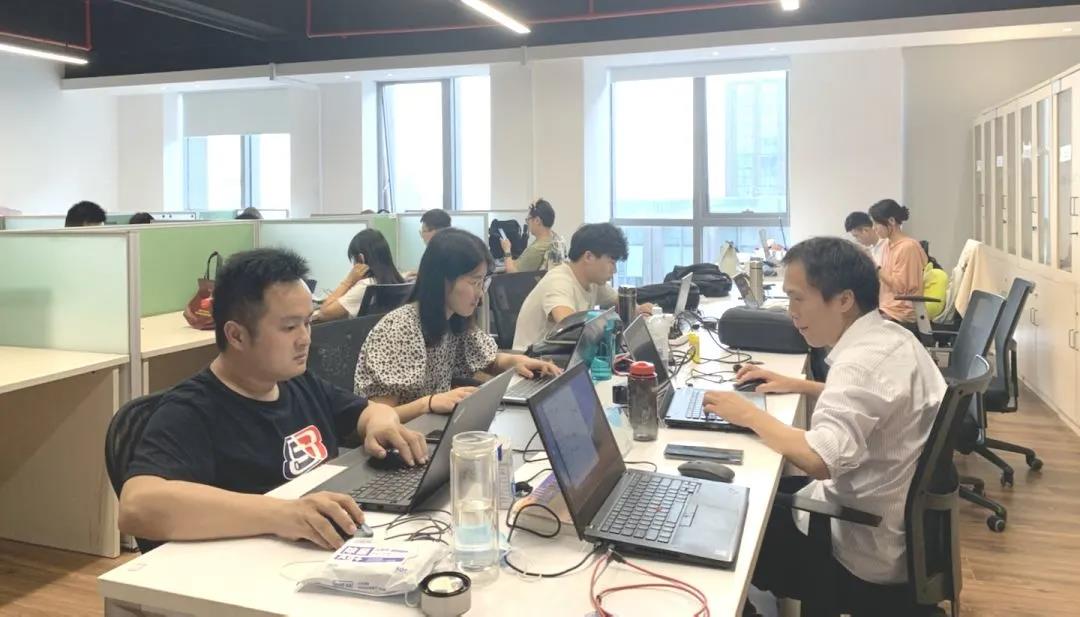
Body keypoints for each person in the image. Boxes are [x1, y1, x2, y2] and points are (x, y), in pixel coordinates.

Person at [118, 249, 426, 551]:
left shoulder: (298, 382)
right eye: (289, 327)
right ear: (236, 335)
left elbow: (370, 412)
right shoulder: (191, 409)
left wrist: (381, 424)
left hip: (320, 550)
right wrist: (283, 514)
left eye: (307, 322)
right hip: (247, 567)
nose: (305, 338)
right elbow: (136, 507)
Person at [702, 237, 946, 614]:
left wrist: (747, 413)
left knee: (722, 517)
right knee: (757, 490)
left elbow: (820, 460)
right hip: (896, 530)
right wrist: (800, 385)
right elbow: (882, 401)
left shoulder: (859, 365)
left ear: (844, 300)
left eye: (798, 298)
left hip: (857, 543)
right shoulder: (894, 338)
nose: (791, 312)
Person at [354, 228, 560, 422]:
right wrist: (429, 403)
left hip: (431, 426)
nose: (480, 293)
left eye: (483, 282)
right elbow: (377, 417)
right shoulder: (399, 329)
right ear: (442, 280)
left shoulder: (453, 318)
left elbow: (487, 359)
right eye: (474, 282)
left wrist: (515, 361)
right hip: (401, 437)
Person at [512, 223, 653, 351]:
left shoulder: (593, 282)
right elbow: (570, 328)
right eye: (612, 262)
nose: (614, 270)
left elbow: (620, 300)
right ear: (589, 257)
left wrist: (639, 309)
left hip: (563, 356)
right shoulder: (559, 282)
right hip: (532, 362)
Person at [314, 229, 405, 322]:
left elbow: (324, 314)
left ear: (361, 258)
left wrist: (349, 281)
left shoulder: (366, 285)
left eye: (354, 259)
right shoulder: (398, 281)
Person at [869, 199, 927, 326]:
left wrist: (875, 267)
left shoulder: (908, 247)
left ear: (891, 221)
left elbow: (900, 287)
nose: (874, 229)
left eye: (876, 224)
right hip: (887, 307)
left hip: (900, 312)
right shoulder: (887, 245)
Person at [500, 199, 568, 273]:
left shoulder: (537, 248)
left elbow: (512, 272)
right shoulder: (555, 238)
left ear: (537, 221)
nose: (527, 223)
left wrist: (507, 250)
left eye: (528, 219)